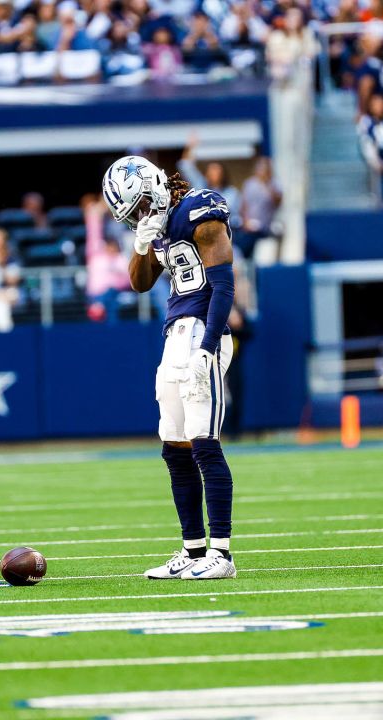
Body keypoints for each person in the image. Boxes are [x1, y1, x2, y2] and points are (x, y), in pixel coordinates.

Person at [104, 154, 238, 580]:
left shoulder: (199, 212)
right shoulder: (157, 229)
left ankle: (222, 554)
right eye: (133, 215)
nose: (141, 216)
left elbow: (224, 285)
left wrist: (208, 346)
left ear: (155, 187)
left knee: (203, 441)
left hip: (204, 331)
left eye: (142, 206)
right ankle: (193, 550)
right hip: (174, 334)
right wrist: (142, 245)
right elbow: (140, 282)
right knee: (173, 444)